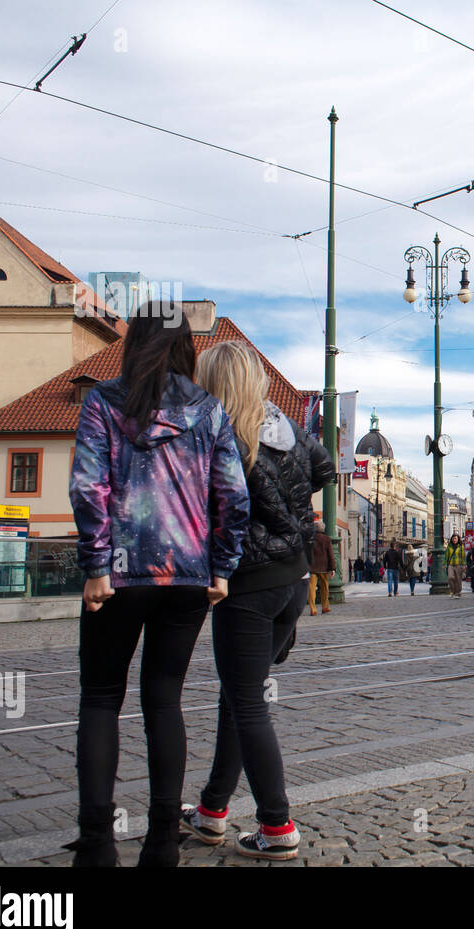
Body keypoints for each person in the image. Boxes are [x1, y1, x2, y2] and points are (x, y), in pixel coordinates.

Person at [66, 302, 251, 867]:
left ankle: (97, 845)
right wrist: (222, 567)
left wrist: (97, 567)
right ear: (185, 349)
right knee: (164, 702)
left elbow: (87, 487)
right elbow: (233, 497)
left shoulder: (103, 401)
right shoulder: (210, 410)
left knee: (100, 700)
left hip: (117, 577)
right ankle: (162, 844)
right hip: (186, 578)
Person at [180, 340, 334, 862]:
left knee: (246, 704)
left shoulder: (219, 433)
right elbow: (326, 468)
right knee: (237, 698)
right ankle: (212, 812)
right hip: (292, 580)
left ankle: (277, 825)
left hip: (248, 584)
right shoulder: (285, 429)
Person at [308, 517, 334, 614]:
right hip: (324, 567)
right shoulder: (327, 539)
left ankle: (313, 609)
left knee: (311, 588)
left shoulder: (310, 539)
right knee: (325, 588)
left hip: (312, 567)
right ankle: (325, 607)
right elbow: (330, 554)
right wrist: (333, 568)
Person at [445, 533, 466, 597]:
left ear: (458, 539)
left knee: (458, 579)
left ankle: (458, 592)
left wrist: (464, 564)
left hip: (459, 564)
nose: (454, 540)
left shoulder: (461, 546)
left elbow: (463, 556)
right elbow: (446, 556)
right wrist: (444, 563)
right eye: (453, 538)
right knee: (450, 577)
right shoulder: (449, 546)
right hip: (451, 564)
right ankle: (453, 591)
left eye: (456, 538)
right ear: (451, 539)